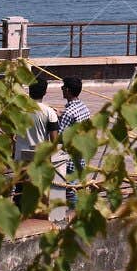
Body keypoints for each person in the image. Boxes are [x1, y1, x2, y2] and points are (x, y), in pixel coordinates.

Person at [13, 78, 58, 206]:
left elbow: (13, 135)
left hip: (20, 157)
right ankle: (55, 216)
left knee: (20, 191)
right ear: (45, 92)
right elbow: (54, 141)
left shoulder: (19, 110)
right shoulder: (49, 112)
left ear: (29, 90)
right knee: (42, 191)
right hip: (39, 158)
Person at [56, 77, 90, 209]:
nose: (62, 89)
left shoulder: (68, 113)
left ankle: (70, 219)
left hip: (67, 160)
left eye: (63, 87)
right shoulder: (84, 108)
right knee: (76, 188)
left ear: (68, 90)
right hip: (80, 157)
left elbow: (58, 139)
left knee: (68, 192)